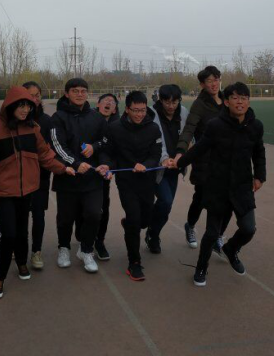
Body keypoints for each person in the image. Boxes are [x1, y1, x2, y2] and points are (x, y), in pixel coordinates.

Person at [0, 86, 75, 299]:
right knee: (8, 234)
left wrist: (63, 168)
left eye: (28, 106)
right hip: (1, 191)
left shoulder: (33, 129)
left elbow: (45, 154)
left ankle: (22, 263)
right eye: (21, 106)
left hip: (27, 190)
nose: (25, 110)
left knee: (22, 231)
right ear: (10, 106)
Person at [174, 82, 266, 287]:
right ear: (226, 102)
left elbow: (259, 152)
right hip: (218, 186)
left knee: (248, 229)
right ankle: (201, 267)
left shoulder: (255, 126)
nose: (240, 102)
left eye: (244, 98)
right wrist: (179, 162)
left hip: (242, 187)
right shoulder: (215, 125)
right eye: (235, 98)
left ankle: (230, 249)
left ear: (248, 101)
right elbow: (199, 148)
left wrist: (260, 176)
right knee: (212, 233)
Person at [98, 91, 162, 281]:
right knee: (134, 219)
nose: (140, 114)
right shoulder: (115, 128)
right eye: (135, 110)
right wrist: (106, 165)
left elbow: (156, 154)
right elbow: (106, 152)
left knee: (144, 221)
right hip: (126, 182)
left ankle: (130, 223)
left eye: (143, 110)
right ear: (127, 109)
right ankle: (134, 262)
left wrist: (146, 165)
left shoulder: (153, 128)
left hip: (147, 181)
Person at [50, 78, 108, 273]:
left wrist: (95, 147)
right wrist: (75, 163)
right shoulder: (58, 117)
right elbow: (57, 146)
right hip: (68, 177)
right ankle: (64, 248)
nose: (80, 94)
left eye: (83, 91)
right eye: (75, 91)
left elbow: (105, 140)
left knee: (94, 214)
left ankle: (86, 250)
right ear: (67, 94)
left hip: (92, 179)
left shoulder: (97, 117)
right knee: (66, 218)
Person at [174, 66, 229, 253]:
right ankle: (190, 225)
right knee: (201, 198)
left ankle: (216, 235)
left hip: (225, 159)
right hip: (204, 159)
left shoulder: (227, 100)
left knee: (224, 199)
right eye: (209, 81)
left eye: (216, 79)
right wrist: (181, 151)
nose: (213, 84)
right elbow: (189, 128)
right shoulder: (199, 105)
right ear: (202, 85)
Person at [74, 93, 120, 258]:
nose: (108, 103)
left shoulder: (118, 126)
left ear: (114, 109)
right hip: (85, 169)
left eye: (112, 102)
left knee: (103, 208)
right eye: (105, 101)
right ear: (98, 104)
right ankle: (82, 235)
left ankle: (99, 241)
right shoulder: (87, 120)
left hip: (103, 172)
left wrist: (110, 167)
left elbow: (117, 151)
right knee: (81, 206)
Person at [145, 84, 189, 254]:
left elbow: (187, 136)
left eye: (174, 102)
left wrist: (181, 157)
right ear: (160, 100)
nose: (171, 106)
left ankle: (152, 231)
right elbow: (156, 140)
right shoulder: (152, 113)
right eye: (167, 102)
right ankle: (152, 233)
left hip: (175, 167)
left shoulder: (183, 112)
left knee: (166, 206)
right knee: (165, 201)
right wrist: (163, 158)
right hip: (157, 167)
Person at [22, 81, 53, 270]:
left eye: (37, 95)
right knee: (20, 215)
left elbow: (50, 149)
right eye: (30, 95)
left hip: (41, 175)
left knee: (38, 214)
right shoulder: (15, 119)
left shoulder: (46, 121)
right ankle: (18, 247)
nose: (34, 99)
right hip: (19, 176)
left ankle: (36, 251)